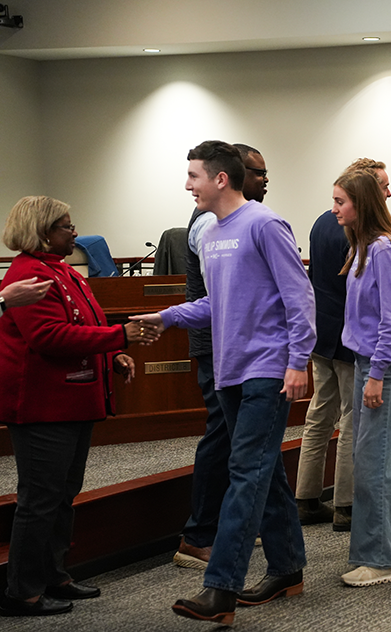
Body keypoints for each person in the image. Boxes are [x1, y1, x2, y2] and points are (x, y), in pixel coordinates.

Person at [133, 141, 315, 625]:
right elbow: (218, 303)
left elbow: (299, 297)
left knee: (245, 474)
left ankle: (221, 588)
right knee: (263, 470)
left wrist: (298, 362)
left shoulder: (264, 223)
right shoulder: (209, 233)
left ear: (219, 179)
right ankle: (288, 568)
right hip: (229, 370)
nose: (187, 184)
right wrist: (168, 315)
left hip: (268, 370)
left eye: (193, 175)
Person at [0, 196, 155, 617]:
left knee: (64, 494)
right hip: (42, 405)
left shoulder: (64, 270)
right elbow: (49, 338)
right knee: (41, 498)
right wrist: (120, 338)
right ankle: (23, 591)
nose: (74, 232)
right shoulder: (29, 275)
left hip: (73, 401)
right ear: (42, 231)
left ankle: (54, 575)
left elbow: (87, 324)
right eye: (66, 226)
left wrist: (112, 353)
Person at [173, 142, 270, 570]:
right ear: (230, 176)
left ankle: (247, 525)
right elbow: (222, 297)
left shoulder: (248, 221)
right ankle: (198, 535)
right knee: (222, 437)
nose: (264, 180)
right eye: (257, 173)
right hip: (218, 344)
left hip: (238, 343)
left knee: (246, 445)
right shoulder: (209, 224)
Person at [296, 158, 391, 531]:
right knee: (353, 416)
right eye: (382, 185)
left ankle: (306, 497)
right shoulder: (358, 232)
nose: (388, 192)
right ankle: (346, 506)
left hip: (321, 329)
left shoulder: (322, 221)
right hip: (350, 336)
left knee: (320, 413)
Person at [332, 169, 391, 586]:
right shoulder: (365, 247)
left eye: (340, 202)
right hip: (371, 362)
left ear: (361, 205)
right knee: (379, 461)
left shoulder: (382, 250)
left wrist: (377, 374)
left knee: (371, 465)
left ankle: (381, 561)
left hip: (383, 366)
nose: (334, 210)